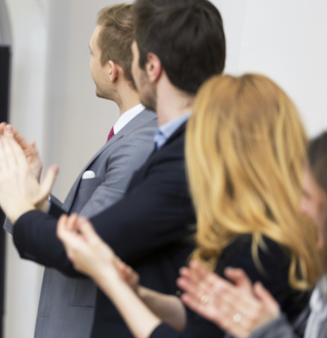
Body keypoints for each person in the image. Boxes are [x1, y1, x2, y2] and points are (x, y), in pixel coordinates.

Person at [0, 0, 226, 336]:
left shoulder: (171, 150)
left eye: (136, 52)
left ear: (150, 66)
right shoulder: (182, 142)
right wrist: (31, 197)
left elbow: (89, 244)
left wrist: (19, 202)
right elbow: (113, 229)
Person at [55, 73, 321, 338]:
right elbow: (206, 326)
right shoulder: (273, 235)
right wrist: (140, 294)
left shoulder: (257, 251)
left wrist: (111, 281)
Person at [0, 4, 157, 337]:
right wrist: (26, 187)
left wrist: (19, 198)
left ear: (112, 69)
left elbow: (86, 244)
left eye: (91, 53)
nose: (89, 63)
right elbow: (89, 226)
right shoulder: (133, 133)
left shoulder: (140, 141)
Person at [177, 131, 327, 338]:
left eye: (308, 196)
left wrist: (269, 330)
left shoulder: (260, 250)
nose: (301, 207)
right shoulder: (321, 292)